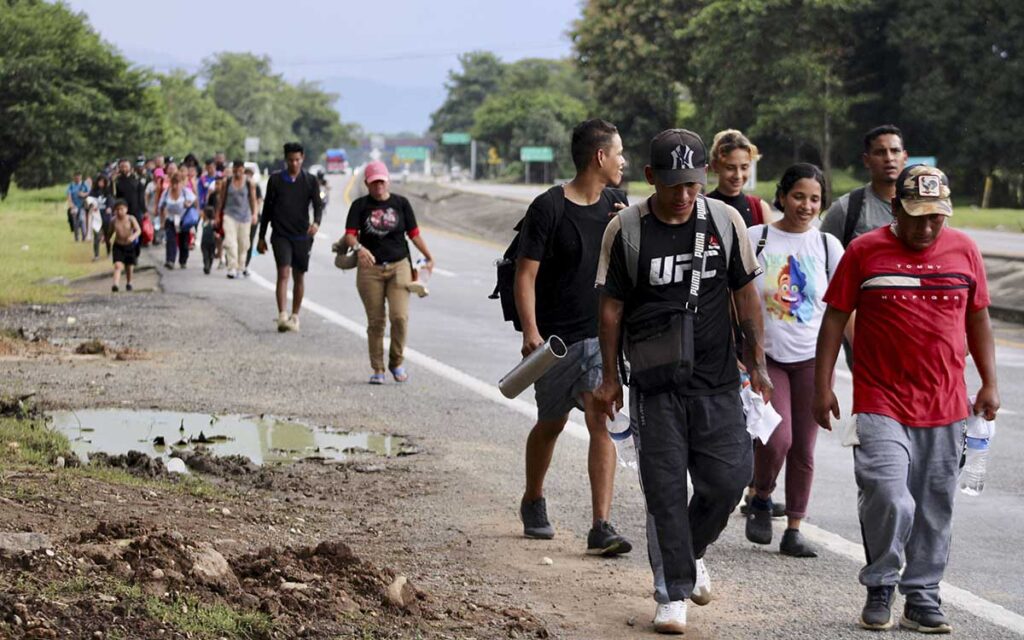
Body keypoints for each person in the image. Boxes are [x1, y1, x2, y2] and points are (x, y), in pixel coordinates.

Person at [594, 129, 770, 634]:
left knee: (730, 478)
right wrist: (610, 378)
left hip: (717, 380)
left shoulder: (725, 220)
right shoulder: (626, 229)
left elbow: (746, 294)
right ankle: (672, 592)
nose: (684, 194)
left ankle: (689, 554)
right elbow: (610, 310)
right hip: (654, 385)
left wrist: (757, 362)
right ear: (651, 177)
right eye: (673, 184)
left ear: (704, 177)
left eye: (693, 183)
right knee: (665, 489)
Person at [813, 165, 999, 634]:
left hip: (946, 403)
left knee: (934, 506)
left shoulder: (964, 250)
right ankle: (880, 583)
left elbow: (978, 318)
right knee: (889, 494)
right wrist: (822, 385)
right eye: (917, 216)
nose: (927, 227)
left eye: (936, 217)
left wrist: (989, 382)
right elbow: (835, 317)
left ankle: (921, 596)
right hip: (880, 399)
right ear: (895, 209)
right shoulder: (864, 251)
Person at [509, 118, 632, 557]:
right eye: (618, 153)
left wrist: (628, 228)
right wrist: (531, 331)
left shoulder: (618, 204)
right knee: (551, 423)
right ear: (600, 157)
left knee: (601, 420)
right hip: (556, 343)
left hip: (602, 339)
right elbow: (526, 275)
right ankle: (533, 498)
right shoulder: (549, 207)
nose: (623, 161)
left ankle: (601, 525)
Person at [743, 163, 846, 558]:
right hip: (765, 358)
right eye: (799, 196)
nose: (806, 206)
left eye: (815, 199)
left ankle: (794, 528)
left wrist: (866, 356)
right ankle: (762, 495)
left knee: (804, 446)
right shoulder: (757, 238)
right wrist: (741, 355)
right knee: (777, 438)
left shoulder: (828, 247)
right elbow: (735, 299)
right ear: (783, 196)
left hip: (813, 361)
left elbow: (843, 309)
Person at [343, 160, 435, 382]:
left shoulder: (401, 204)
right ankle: (378, 369)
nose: (378, 186)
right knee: (376, 322)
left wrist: (429, 256)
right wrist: (359, 249)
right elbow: (350, 235)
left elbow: (414, 234)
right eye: (374, 183)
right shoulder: (359, 206)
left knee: (400, 317)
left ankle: (396, 362)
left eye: (382, 182)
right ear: (367, 183)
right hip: (370, 269)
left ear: (388, 182)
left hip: (399, 266)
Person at [257, 142, 324, 332]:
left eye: (297, 160)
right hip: (280, 234)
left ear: (302, 159)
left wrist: (316, 223)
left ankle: (295, 315)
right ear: (285, 160)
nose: (294, 163)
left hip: (302, 235)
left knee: (299, 276)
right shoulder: (275, 180)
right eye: (290, 160)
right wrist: (261, 236)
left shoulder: (310, 181)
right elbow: (267, 209)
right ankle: (282, 315)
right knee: (283, 272)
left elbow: (317, 205)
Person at [821, 125, 909, 248]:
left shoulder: (924, 206)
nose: (889, 158)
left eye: (895, 151)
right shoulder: (846, 209)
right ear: (866, 160)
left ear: (905, 157)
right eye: (880, 152)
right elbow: (822, 254)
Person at [707, 129, 776, 227]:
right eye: (730, 168)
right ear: (715, 166)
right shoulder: (700, 207)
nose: (738, 175)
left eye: (744, 167)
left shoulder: (760, 209)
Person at [216, 160, 258, 278]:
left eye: (240, 170)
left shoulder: (249, 182)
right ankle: (232, 267)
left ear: (243, 170)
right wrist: (217, 214)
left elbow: (253, 199)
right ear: (233, 169)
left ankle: (241, 266)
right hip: (229, 215)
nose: (237, 172)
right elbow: (221, 199)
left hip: (245, 217)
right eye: (235, 170)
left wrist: (255, 214)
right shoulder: (227, 182)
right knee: (230, 242)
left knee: (243, 244)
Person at [158, 171, 197, 269]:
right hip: (171, 219)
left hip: (183, 220)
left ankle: (183, 261)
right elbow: (161, 206)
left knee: (184, 241)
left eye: (177, 183)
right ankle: (170, 260)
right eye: (173, 183)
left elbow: (194, 201)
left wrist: (188, 204)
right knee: (170, 240)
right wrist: (162, 220)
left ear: (181, 183)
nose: (175, 186)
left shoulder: (185, 192)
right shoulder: (166, 193)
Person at [109, 199, 141, 292]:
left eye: (121, 209)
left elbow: (138, 230)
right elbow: (110, 232)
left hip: (129, 245)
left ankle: (129, 282)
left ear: (126, 209)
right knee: (117, 265)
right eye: (117, 209)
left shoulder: (131, 218)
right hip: (118, 245)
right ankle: (115, 284)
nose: (119, 212)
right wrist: (106, 239)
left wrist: (133, 237)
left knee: (129, 266)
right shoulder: (113, 220)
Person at [112, 158, 145, 226]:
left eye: (126, 166)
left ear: (130, 167)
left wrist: (144, 210)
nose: (124, 169)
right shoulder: (116, 182)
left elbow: (141, 197)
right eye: (122, 167)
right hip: (122, 212)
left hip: (136, 211)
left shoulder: (137, 180)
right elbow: (114, 196)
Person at [244, 164, 264, 272]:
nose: (248, 176)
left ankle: (245, 264)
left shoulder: (256, 186)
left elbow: (259, 200)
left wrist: (255, 213)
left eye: (250, 174)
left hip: (253, 216)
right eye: (246, 174)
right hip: (241, 216)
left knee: (249, 241)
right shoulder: (240, 185)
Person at [88, 174, 114, 259]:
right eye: (100, 181)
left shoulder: (107, 191)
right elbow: (89, 200)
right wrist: (91, 206)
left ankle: (109, 252)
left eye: (103, 181)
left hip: (106, 216)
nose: (101, 183)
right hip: (96, 216)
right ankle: (96, 255)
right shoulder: (93, 191)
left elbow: (111, 201)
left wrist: (109, 207)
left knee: (107, 236)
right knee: (96, 236)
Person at [66, 172, 89, 241]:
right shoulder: (71, 185)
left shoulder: (84, 184)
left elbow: (90, 193)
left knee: (82, 220)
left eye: (79, 177)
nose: (77, 178)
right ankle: (76, 238)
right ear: (74, 177)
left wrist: (83, 194)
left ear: (81, 177)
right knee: (75, 222)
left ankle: (84, 236)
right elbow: (69, 195)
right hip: (74, 206)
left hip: (82, 205)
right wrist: (71, 204)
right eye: (76, 177)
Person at [200, 206, 218, 275]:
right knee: (210, 255)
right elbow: (216, 231)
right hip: (212, 242)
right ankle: (208, 266)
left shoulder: (205, 222)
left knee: (206, 255)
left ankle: (207, 266)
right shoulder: (213, 222)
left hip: (205, 241)